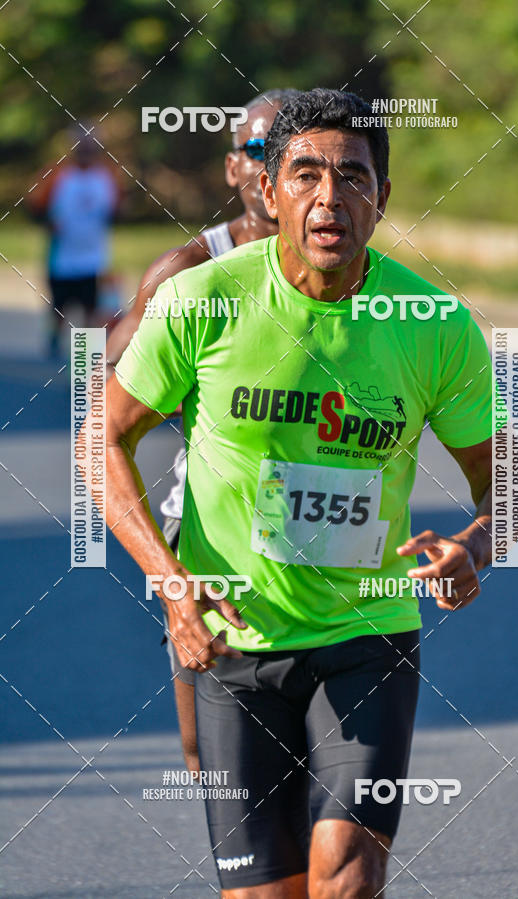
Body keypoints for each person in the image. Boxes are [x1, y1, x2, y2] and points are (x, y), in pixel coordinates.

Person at [101, 88, 518, 897]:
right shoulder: (204, 299)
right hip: (235, 642)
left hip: (367, 635)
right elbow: (106, 441)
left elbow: (505, 480)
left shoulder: (433, 322)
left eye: (353, 177)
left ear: (384, 196)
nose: (330, 197)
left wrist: (475, 545)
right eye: (305, 175)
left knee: (345, 875)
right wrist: (169, 583)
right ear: (269, 191)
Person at [105, 89, 299, 775]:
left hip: (328, 522)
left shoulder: (350, 268)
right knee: (211, 758)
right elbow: (104, 400)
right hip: (212, 521)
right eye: (255, 150)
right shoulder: (187, 272)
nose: (267, 165)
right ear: (233, 168)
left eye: (285, 152)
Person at [29, 133, 120, 357]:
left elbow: (118, 210)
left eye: (91, 147)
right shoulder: (58, 174)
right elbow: (34, 207)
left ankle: (85, 359)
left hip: (94, 257)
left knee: (91, 308)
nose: (86, 152)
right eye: (82, 147)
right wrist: (48, 223)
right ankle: (54, 351)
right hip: (62, 257)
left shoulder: (107, 176)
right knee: (60, 307)